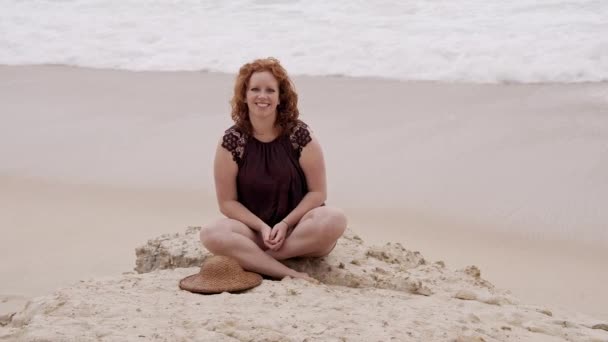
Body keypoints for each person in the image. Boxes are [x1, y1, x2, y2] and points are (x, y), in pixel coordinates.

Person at [199, 57, 347, 282]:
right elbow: (227, 203)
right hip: (255, 234)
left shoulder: (300, 135)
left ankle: (261, 261)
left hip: (301, 232)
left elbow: (318, 193)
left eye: (270, 90)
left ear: (280, 98)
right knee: (211, 233)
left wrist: (285, 224)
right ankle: (288, 272)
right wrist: (262, 228)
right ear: (245, 95)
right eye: (255, 89)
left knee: (334, 218)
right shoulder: (231, 142)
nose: (262, 96)